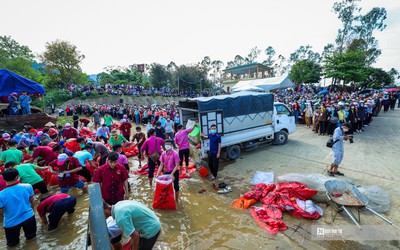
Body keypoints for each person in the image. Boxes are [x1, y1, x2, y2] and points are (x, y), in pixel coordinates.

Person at [0, 168, 36, 247]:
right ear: (17, 177)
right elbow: (32, 201)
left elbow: (1, 212)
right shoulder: (27, 186)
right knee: (32, 239)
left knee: (12, 245)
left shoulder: (1, 195)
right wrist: (32, 212)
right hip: (29, 217)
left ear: (3, 178)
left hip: (11, 222)